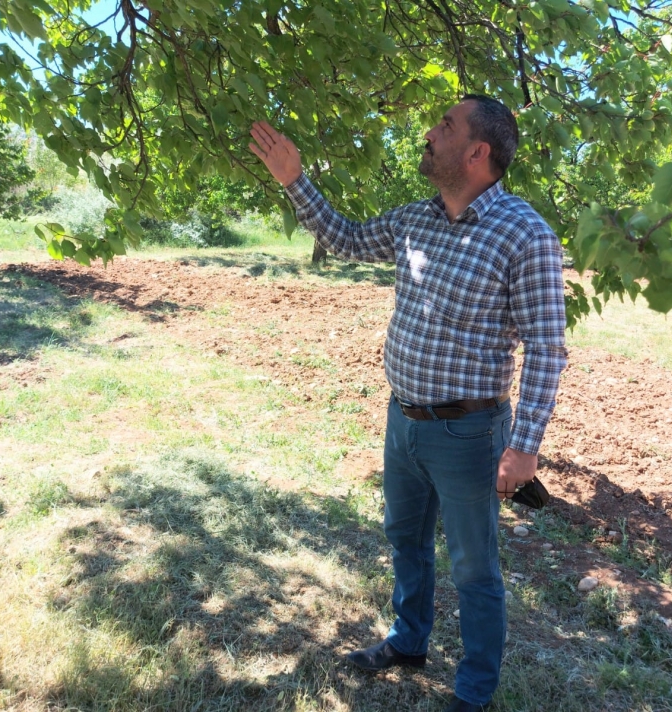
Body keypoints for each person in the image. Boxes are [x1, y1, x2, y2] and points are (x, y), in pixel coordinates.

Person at [249, 94, 567, 712]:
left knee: (473, 567)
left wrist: (525, 446)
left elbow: (548, 349)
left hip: (470, 433)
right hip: (404, 420)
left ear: (477, 152)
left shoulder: (525, 234)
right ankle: (409, 639)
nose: (430, 131)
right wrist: (295, 181)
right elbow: (344, 238)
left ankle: (473, 692)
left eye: (445, 125)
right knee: (405, 538)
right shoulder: (416, 220)